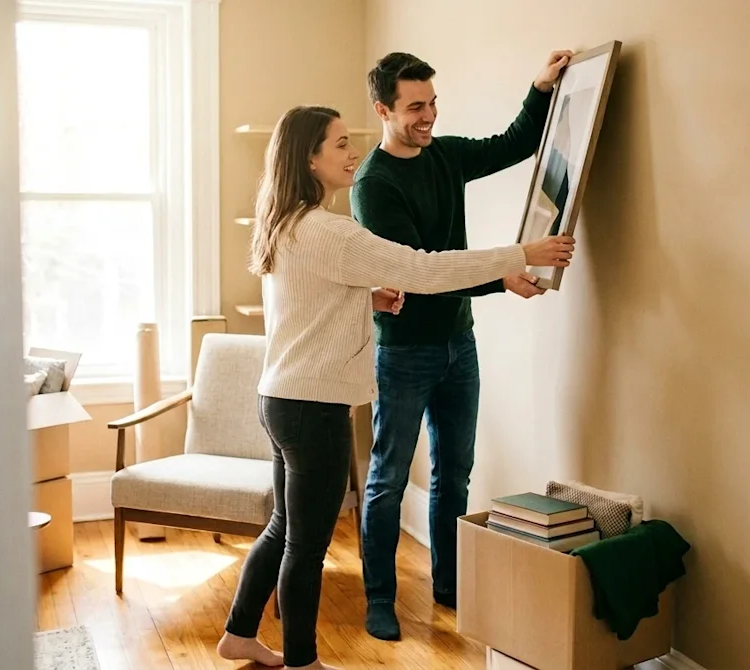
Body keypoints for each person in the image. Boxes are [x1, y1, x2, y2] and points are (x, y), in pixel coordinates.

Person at [214, 105, 575, 670]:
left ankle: (239, 634)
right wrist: (519, 255)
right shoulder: (331, 230)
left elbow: (308, 300)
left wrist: (366, 297)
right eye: (338, 145)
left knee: (285, 527)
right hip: (313, 407)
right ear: (309, 158)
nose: (352, 152)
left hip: (280, 397)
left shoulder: (284, 223)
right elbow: (422, 268)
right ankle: (304, 662)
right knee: (307, 546)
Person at [350, 49, 575, 641]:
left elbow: (515, 142)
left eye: (433, 103)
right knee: (387, 480)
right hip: (403, 353)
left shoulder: (443, 155)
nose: (429, 116)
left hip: (458, 345)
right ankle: (380, 599)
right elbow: (423, 274)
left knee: (455, 475)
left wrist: (540, 85)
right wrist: (504, 274)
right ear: (383, 109)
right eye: (415, 107)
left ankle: (449, 585)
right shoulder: (373, 186)